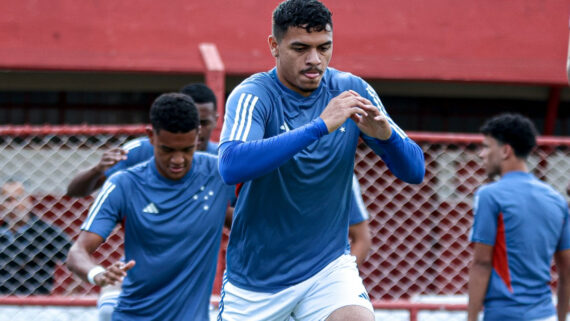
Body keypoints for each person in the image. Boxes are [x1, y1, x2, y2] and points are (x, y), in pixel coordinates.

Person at [216, 0, 425, 319]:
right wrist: (319, 127)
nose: (314, 59)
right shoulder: (254, 94)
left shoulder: (351, 89)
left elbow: (415, 170)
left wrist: (387, 137)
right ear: (274, 45)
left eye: (323, 47)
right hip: (257, 282)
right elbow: (231, 165)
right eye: (300, 48)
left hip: (327, 270)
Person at [66, 93, 234, 320]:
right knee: (106, 309)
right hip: (132, 315)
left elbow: (258, 220)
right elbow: (77, 252)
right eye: (167, 150)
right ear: (150, 137)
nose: (177, 160)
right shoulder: (123, 184)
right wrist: (99, 274)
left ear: (197, 136)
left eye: (186, 149)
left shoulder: (221, 174)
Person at [467, 113, 570, 321]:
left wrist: (470, 319)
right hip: (545, 315)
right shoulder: (557, 200)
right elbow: (567, 272)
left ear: (506, 150)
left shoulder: (490, 195)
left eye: (487, 147)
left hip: (505, 315)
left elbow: (481, 264)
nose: (482, 154)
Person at [65, 82, 219, 198]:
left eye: (203, 123)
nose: (195, 130)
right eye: (167, 150)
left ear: (216, 121)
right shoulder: (137, 152)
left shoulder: (220, 159)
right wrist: (96, 170)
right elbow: (75, 192)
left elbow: (233, 216)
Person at [0, 179, 71, 295]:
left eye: (18, 198)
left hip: (36, 303)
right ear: (1, 205)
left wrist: (68, 295)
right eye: (8, 200)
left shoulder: (47, 232)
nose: (14, 205)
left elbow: (78, 262)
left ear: (29, 200)